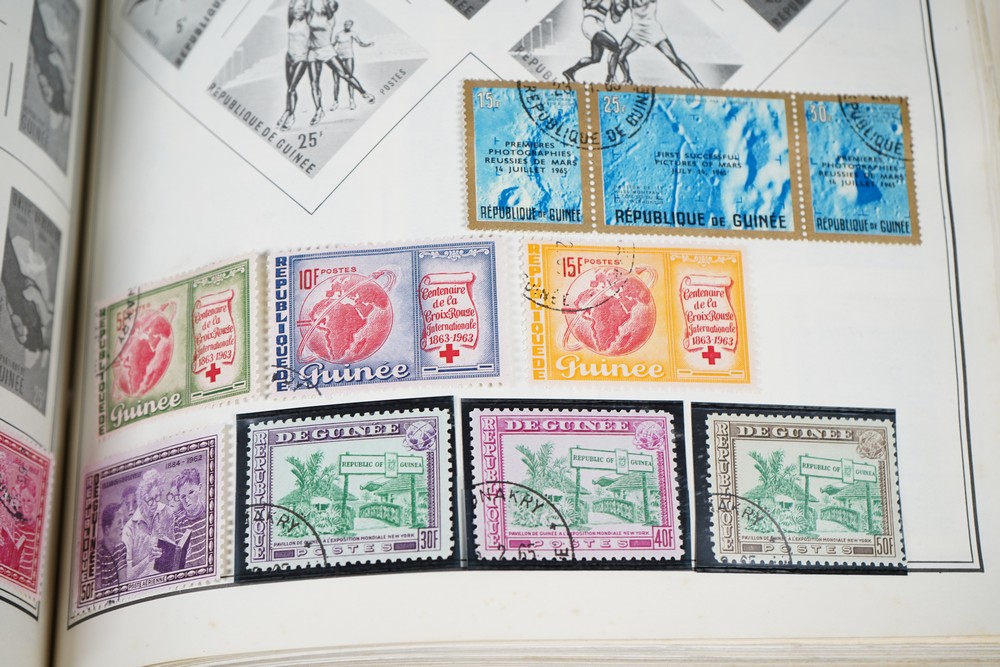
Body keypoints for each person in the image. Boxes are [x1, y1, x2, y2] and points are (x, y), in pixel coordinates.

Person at [306, 0, 372, 124]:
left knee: (345, 74)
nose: (327, 6)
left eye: (330, 6)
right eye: (327, 5)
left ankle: (364, 93)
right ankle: (319, 110)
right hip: (312, 52)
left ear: (333, 9)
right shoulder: (314, 15)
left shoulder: (330, 18)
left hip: (326, 50)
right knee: (314, 83)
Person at [615, 0, 703, 87]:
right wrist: (618, 8)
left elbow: (640, 2)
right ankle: (628, 80)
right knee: (620, 56)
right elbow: (619, 11)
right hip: (636, 29)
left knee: (674, 59)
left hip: (652, 29)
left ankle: (697, 83)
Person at [122, 469, 174, 579]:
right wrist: (148, 559)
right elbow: (127, 575)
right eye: (150, 500)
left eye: (157, 497)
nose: (154, 504)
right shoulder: (129, 529)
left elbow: (173, 551)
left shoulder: (167, 512)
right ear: (141, 500)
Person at [563, 0, 623, 83]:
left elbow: (615, 19)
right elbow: (590, 4)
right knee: (617, 48)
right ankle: (611, 78)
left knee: (595, 58)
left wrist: (617, 10)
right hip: (591, 25)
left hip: (600, 27)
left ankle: (570, 72)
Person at [277, 0, 313, 130]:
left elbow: (309, 6)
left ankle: (291, 116)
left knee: (291, 89)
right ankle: (287, 110)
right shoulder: (292, 21)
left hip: (301, 58)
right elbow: (291, 6)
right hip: (289, 58)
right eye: (297, 9)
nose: (298, 11)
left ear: (306, 11)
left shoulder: (308, 22)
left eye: (301, 9)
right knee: (289, 88)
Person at [330, 19, 373, 110]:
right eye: (346, 24)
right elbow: (332, 45)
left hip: (349, 57)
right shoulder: (338, 34)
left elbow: (360, 43)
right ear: (344, 25)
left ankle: (351, 101)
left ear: (351, 25)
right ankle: (335, 102)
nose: (347, 25)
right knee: (336, 80)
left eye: (349, 24)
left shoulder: (353, 34)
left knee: (350, 78)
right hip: (338, 57)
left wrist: (368, 44)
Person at [172, 468, 208, 568]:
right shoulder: (179, 522)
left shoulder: (210, 513)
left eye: (191, 492)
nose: (187, 500)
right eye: (183, 496)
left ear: (199, 488)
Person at [96, 502, 127, 588]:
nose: (122, 527)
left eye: (123, 522)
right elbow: (98, 589)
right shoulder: (97, 553)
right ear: (107, 529)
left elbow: (123, 583)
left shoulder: (121, 548)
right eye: (119, 523)